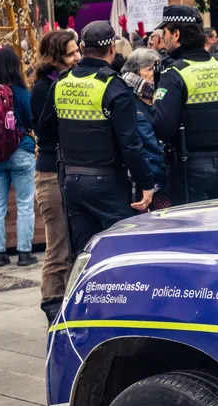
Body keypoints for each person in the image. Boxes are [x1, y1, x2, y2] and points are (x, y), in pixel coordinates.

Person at [37, 21, 154, 257]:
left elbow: (44, 129)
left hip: (72, 179)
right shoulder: (113, 86)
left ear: (82, 47)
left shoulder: (61, 82)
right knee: (119, 251)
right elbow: (130, 143)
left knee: (85, 254)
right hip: (108, 182)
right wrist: (146, 183)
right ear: (112, 48)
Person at [151, 5, 218, 203]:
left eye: (165, 32)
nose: (164, 38)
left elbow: (163, 128)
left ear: (176, 34)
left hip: (189, 168)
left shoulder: (174, 74)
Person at [31, 30, 81, 323]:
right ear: (55, 57)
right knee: (58, 247)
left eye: (77, 51)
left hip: (69, 170)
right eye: (70, 53)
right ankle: (52, 304)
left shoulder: (68, 82)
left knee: (72, 245)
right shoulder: (44, 87)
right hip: (51, 173)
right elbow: (46, 131)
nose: (77, 58)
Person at [0, 47, 37, 267]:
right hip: (21, 150)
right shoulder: (21, 92)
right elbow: (32, 120)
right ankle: (24, 253)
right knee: (24, 203)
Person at [121, 49, 169, 209]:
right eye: (149, 69)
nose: (155, 74)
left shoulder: (160, 95)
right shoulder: (126, 97)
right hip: (141, 178)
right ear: (135, 71)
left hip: (164, 176)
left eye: (156, 68)